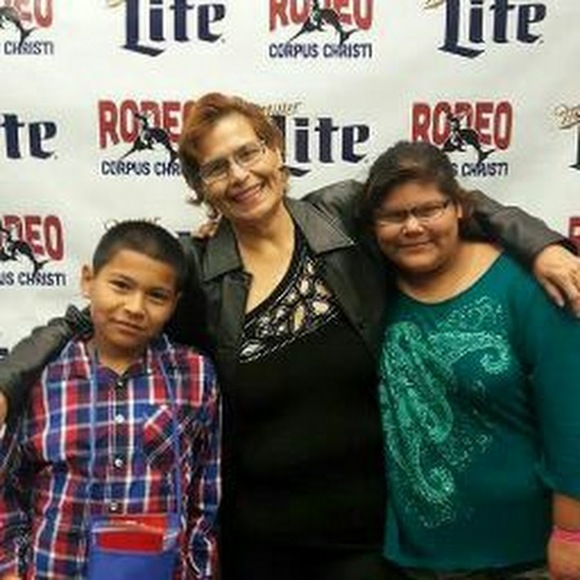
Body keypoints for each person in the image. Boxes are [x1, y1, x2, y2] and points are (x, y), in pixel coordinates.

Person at [0, 93, 580, 579]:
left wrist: (539, 245)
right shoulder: (196, 267)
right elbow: (90, 317)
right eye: (216, 168)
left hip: (370, 538)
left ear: (276, 150)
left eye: (248, 152)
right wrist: (8, 383)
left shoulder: (344, 213)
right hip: (258, 541)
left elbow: (440, 201)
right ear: (201, 187)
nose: (240, 175)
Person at [359, 141, 580, 580]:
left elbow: (572, 422)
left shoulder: (529, 288)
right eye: (393, 216)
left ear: (460, 207)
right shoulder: (370, 288)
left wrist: (571, 536)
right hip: (412, 560)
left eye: (429, 209)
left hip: (523, 556)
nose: (412, 227)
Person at [0, 221, 220, 579]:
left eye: (156, 296)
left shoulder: (194, 375)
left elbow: (205, 496)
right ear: (88, 281)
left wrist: (200, 570)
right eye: (121, 286)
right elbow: (8, 487)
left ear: (174, 303)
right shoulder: (43, 376)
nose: (135, 307)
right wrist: (10, 569)